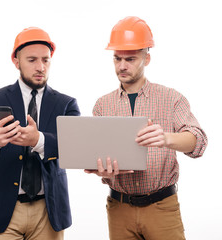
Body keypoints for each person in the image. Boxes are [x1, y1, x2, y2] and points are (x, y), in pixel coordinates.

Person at [85, 16, 208, 240]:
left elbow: (198, 142)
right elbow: (98, 156)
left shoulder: (171, 98)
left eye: (130, 59)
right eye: (117, 59)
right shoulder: (102, 105)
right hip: (119, 208)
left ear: (147, 58)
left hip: (162, 207)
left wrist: (167, 138)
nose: (122, 66)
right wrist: (100, 170)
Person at [0, 27, 80, 240]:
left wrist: (39, 141)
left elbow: (76, 146)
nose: (40, 67)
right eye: (32, 60)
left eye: (46, 60)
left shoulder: (66, 104)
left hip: (48, 213)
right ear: (16, 61)